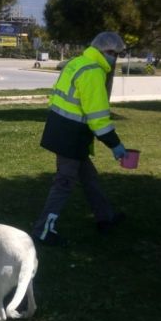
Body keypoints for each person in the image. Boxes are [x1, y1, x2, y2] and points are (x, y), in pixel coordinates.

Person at [33, 31, 128, 246]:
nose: (116, 59)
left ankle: (106, 218)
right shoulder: (94, 73)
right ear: (106, 52)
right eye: (115, 54)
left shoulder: (76, 62)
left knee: (89, 178)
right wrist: (116, 145)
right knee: (64, 183)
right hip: (71, 137)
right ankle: (42, 231)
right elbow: (98, 119)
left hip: (59, 129)